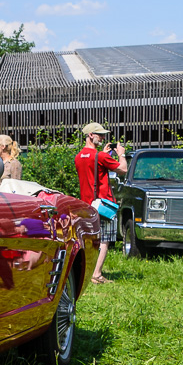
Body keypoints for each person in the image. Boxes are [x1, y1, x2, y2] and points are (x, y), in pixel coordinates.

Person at [75, 121, 127, 284]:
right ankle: (96, 274)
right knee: (105, 239)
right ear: (91, 135)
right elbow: (123, 169)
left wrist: (103, 154)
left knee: (89, 240)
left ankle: (84, 271)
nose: (104, 137)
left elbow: (93, 170)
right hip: (104, 204)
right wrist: (121, 154)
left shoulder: (79, 156)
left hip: (87, 203)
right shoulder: (101, 156)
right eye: (100, 135)